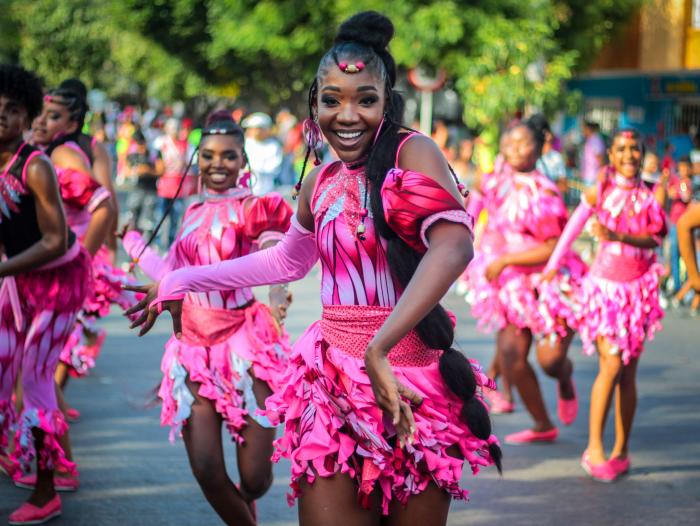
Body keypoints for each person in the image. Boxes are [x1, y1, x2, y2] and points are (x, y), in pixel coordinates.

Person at [126, 11, 501, 526]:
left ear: (386, 101)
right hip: (335, 387)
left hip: (412, 380)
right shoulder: (319, 181)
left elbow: (454, 246)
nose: (347, 115)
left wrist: (380, 347)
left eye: (365, 100)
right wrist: (180, 279)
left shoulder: (414, 152)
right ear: (314, 105)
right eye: (332, 101)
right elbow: (286, 259)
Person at [121, 111, 293, 525]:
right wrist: (130, 241)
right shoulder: (192, 209)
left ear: (243, 162)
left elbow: (274, 252)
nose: (218, 164)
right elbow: (174, 277)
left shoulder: (254, 207)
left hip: (246, 346)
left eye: (229, 156)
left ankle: (247, 501)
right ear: (198, 158)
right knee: (207, 469)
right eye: (210, 156)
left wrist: (276, 292)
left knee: (254, 480)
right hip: (194, 350)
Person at [544, 128, 666, 482]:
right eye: (622, 149)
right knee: (611, 365)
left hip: (639, 293)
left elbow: (656, 237)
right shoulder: (600, 192)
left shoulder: (651, 196)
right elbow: (572, 229)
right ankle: (594, 448)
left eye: (635, 148)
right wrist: (552, 267)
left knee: (628, 372)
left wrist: (619, 236)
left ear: (641, 155)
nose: (629, 155)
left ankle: (621, 450)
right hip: (606, 293)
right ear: (610, 156)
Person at [0, 64, 92, 525]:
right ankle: (16, 455)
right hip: (16, 277)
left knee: (36, 382)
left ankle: (47, 490)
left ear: (27, 116)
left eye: (12, 109)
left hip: (59, 281)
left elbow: (56, 241)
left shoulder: (34, 166)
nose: (1, 115)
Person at [464, 120, 584, 441]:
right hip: (512, 287)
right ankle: (543, 424)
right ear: (501, 148)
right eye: (511, 143)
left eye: (524, 143)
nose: (517, 149)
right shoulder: (492, 183)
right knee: (511, 357)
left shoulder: (545, 191)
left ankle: (564, 377)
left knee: (550, 360)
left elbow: (551, 247)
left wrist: (505, 260)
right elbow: (471, 215)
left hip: (549, 283)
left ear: (539, 148)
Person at [154, 118, 192, 247]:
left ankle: (171, 243)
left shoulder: (184, 144)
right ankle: (157, 242)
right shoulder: (161, 143)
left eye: (176, 128)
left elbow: (188, 163)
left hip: (179, 186)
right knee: (160, 215)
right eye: (171, 128)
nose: (174, 130)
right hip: (164, 185)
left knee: (175, 217)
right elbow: (158, 164)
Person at [667, 157, 694, 295]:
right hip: (674, 223)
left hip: (684, 224)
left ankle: (686, 287)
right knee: (674, 255)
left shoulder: (688, 183)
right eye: (681, 168)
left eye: (685, 168)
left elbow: (685, 197)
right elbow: (670, 193)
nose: (683, 171)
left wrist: (678, 190)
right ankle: (677, 285)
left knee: (686, 255)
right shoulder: (676, 181)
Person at [124, 128, 159, 233]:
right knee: (133, 217)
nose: (140, 146)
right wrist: (136, 171)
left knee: (149, 221)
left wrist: (148, 170)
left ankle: (148, 244)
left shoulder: (154, 153)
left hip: (151, 190)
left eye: (141, 143)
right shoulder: (132, 155)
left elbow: (161, 169)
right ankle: (134, 241)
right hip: (137, 189)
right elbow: (126, 171)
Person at [241, 113, 283, 195]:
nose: (251, 131)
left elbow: (274, 169)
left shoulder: (274, 146)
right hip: (246, 191)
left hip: (266, 190)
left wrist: (253, 168)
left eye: (255, 129)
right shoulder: (246, 144)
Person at [530, 114, 567, 194]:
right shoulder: (528, 158)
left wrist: (549, 189)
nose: (549, 136)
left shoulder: (555, 157)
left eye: (548, 131)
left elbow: (564, 186)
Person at [581, 121, 606, 186]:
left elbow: (600, 157)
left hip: (593, 176)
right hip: (589, 175)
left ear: (589, 129)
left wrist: (601, 172)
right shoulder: (590, 140)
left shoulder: (595, 140)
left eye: (584, 129)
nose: (583, 131)